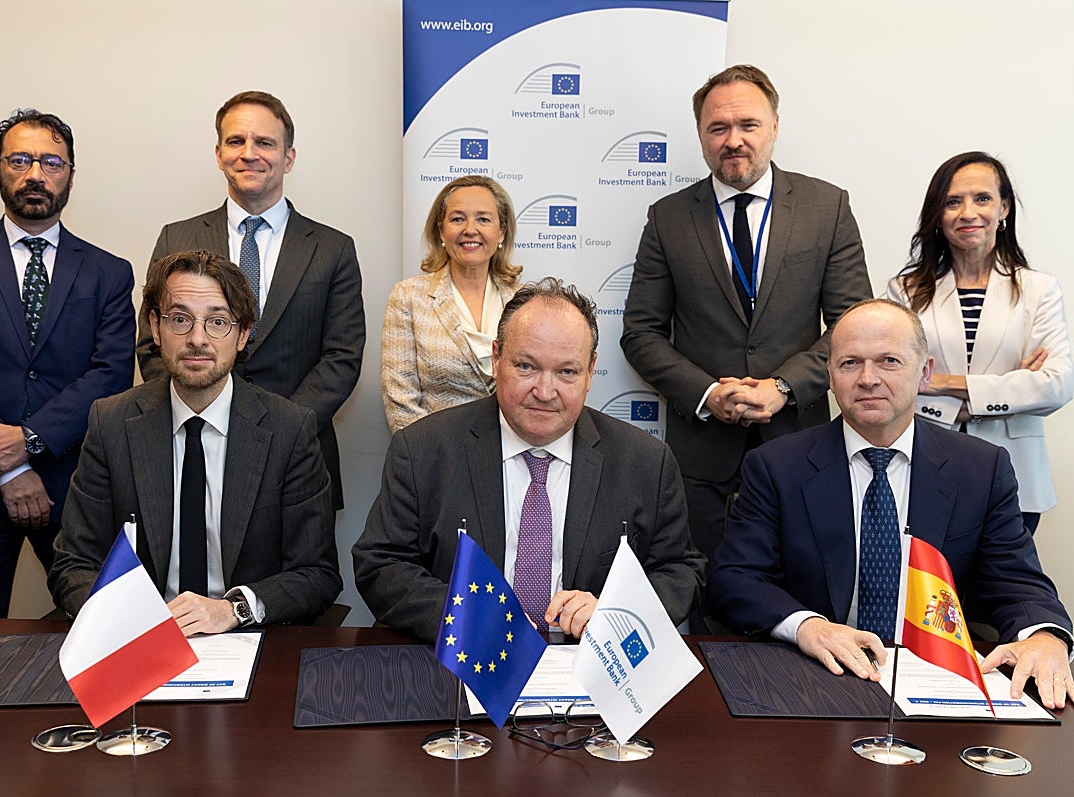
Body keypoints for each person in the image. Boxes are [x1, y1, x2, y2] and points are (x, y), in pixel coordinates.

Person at [710, 299, 1074, 710]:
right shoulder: (776, 466)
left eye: (888, 361)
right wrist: (807, 626)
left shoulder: (980, 468)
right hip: (817, 675)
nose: (868, 379)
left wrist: (1045, 636)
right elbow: (734, 580)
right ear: (829, 376)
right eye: (850, 363)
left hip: (936, 679)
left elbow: (1016, 580)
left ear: (924, 372)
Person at [354, 278, 705, 643]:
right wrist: (465, 612)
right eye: (526, 366)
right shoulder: (423, 449)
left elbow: (681, 570)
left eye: (566, 372)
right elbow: (380, 564)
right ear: (496, 359)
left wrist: (615, 610)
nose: (544, 391)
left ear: (590, 372)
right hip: (461, 663)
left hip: (592, 670)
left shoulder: (645, 461)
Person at [621, 64, 871, 570]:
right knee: (701, 599)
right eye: (718, 128)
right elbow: (641, 333)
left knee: (801, 596)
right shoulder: (667, 218)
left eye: (748, 125)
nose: (733, 140)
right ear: (701, 135)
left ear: (775, 126)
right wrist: (709, 394)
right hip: (701, 459)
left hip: (800, 446)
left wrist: (781, 387)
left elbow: (854, 329)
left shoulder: (828, 207)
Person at [49, 250, 341, 634]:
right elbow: (73, 564)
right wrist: (131, 617)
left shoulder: (290, 429)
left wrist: (233, 610)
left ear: (243, 333)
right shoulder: (112, 422)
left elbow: (317, 574)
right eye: (180, 319)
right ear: (155, 328)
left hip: (247, 640)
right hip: (139, 640)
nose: (197, 339)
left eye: (218, 322)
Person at [0, 108, 135, 619]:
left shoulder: (109, 272)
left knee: (100, 633)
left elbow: (110, 374)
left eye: (51, 163)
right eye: (20, 160)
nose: (35, 174)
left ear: (71, 176)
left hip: (75, 484)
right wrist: (11, 466)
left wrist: (31, 440)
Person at [136, 91, 364, 510]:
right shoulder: (176, 238)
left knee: (299, 575)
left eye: (265, 142)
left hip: (299, 458)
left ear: (288, 157)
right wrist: (205, 416)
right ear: (219, 153)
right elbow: (152, 344)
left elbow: (342, 359)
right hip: (193, 446)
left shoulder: (333, 249)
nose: (249, 153)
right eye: (236, 141)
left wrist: (279, 432)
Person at [886, 152, 1072, 534]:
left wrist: (938, 381)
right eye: (953, 202)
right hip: (926, 465)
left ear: (1004, 207)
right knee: (929, 590)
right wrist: (1006, 390)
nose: (968, 212)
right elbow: (890, 379)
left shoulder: (1039, 290)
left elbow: (1056, 383)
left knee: (1002, 589)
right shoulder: (904, 291)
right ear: (938, 214)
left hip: (1016, 474)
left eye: (982, 199)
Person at [381, 175, 522, 433]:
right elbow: (400, 401)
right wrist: (432, 460)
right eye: (458, 219)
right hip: (436, 456)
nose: (470, 229)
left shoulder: (524, 302)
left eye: (483, 219)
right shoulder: (408, 297)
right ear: (442, 231)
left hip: (512, 454)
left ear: (501, 231)